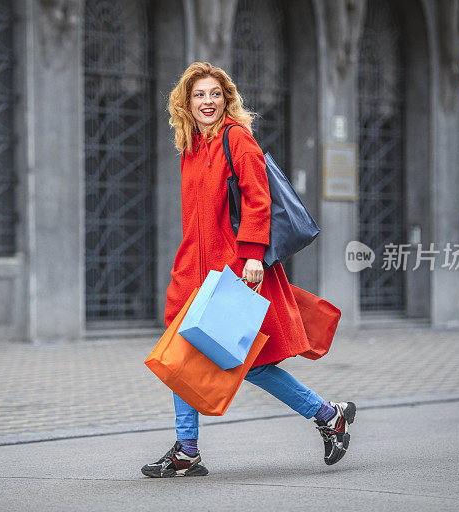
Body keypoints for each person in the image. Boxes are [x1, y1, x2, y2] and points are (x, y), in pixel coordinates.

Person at [141, 62, 356, 478]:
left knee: (250, 362)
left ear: (227, 100)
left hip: (235, 267)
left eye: (215, 94)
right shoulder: (190, 146)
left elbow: (258, 200)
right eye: (199, 94)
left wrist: (254, 255)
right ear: (186, 101)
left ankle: (328, 415)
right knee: (178, 354)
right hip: (193, 271)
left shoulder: (236, 139)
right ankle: (188, 450)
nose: (207, 102)